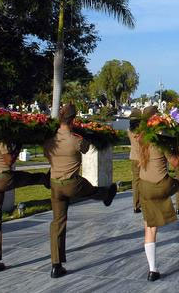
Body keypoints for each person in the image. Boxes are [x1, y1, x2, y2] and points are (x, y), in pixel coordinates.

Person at [43, 103, 117, 278]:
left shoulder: (49, 140)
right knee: (91, 190)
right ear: (73, 119)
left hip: (55, 184)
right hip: (72, 183)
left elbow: (48, 153)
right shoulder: (76, 139)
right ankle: (106, 194)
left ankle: (56, 264)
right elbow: (85, 148)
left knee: (58, 223)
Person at [0, 104, 50, 275]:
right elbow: (8, 161)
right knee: (32, 177)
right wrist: (18, 146)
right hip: (3, 178)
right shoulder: (1, 137)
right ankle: (46, 179)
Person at [138, 105, 179, 282]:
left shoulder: (140, 138)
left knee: (149, 229)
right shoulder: (160, 139)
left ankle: (152, 270)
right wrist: (174, 142)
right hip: (162, 184)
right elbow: (176, 162)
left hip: (145, 186)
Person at [128, 108, 142, 213]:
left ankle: (136, 205)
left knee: (136, 182)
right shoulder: (143, 131)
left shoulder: (129, 131)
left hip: (133, 157)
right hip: (143, 158)